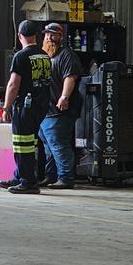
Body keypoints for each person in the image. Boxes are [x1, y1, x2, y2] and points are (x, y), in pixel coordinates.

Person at [0, 20, 52, 194]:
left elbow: (13, 84)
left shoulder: (21, 56)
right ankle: (20, 175)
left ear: (19, 36)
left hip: (25, 107)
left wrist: (6, 107)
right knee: (31, 143)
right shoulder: (45, 56)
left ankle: (28, 182)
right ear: (36, 36)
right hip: (41, 105)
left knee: (22, 145)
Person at [37, 22, 82, 189]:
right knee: (48, 145)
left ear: (60, 37)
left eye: (53, 34)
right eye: (47, 34)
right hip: (46, 111)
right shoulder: (45, 56)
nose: (49, 37)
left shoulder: (66, 55)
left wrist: (64, 97)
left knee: (58, 143)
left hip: (60, 110)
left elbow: (70, 77)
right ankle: (51, 176)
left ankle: (66, 177)